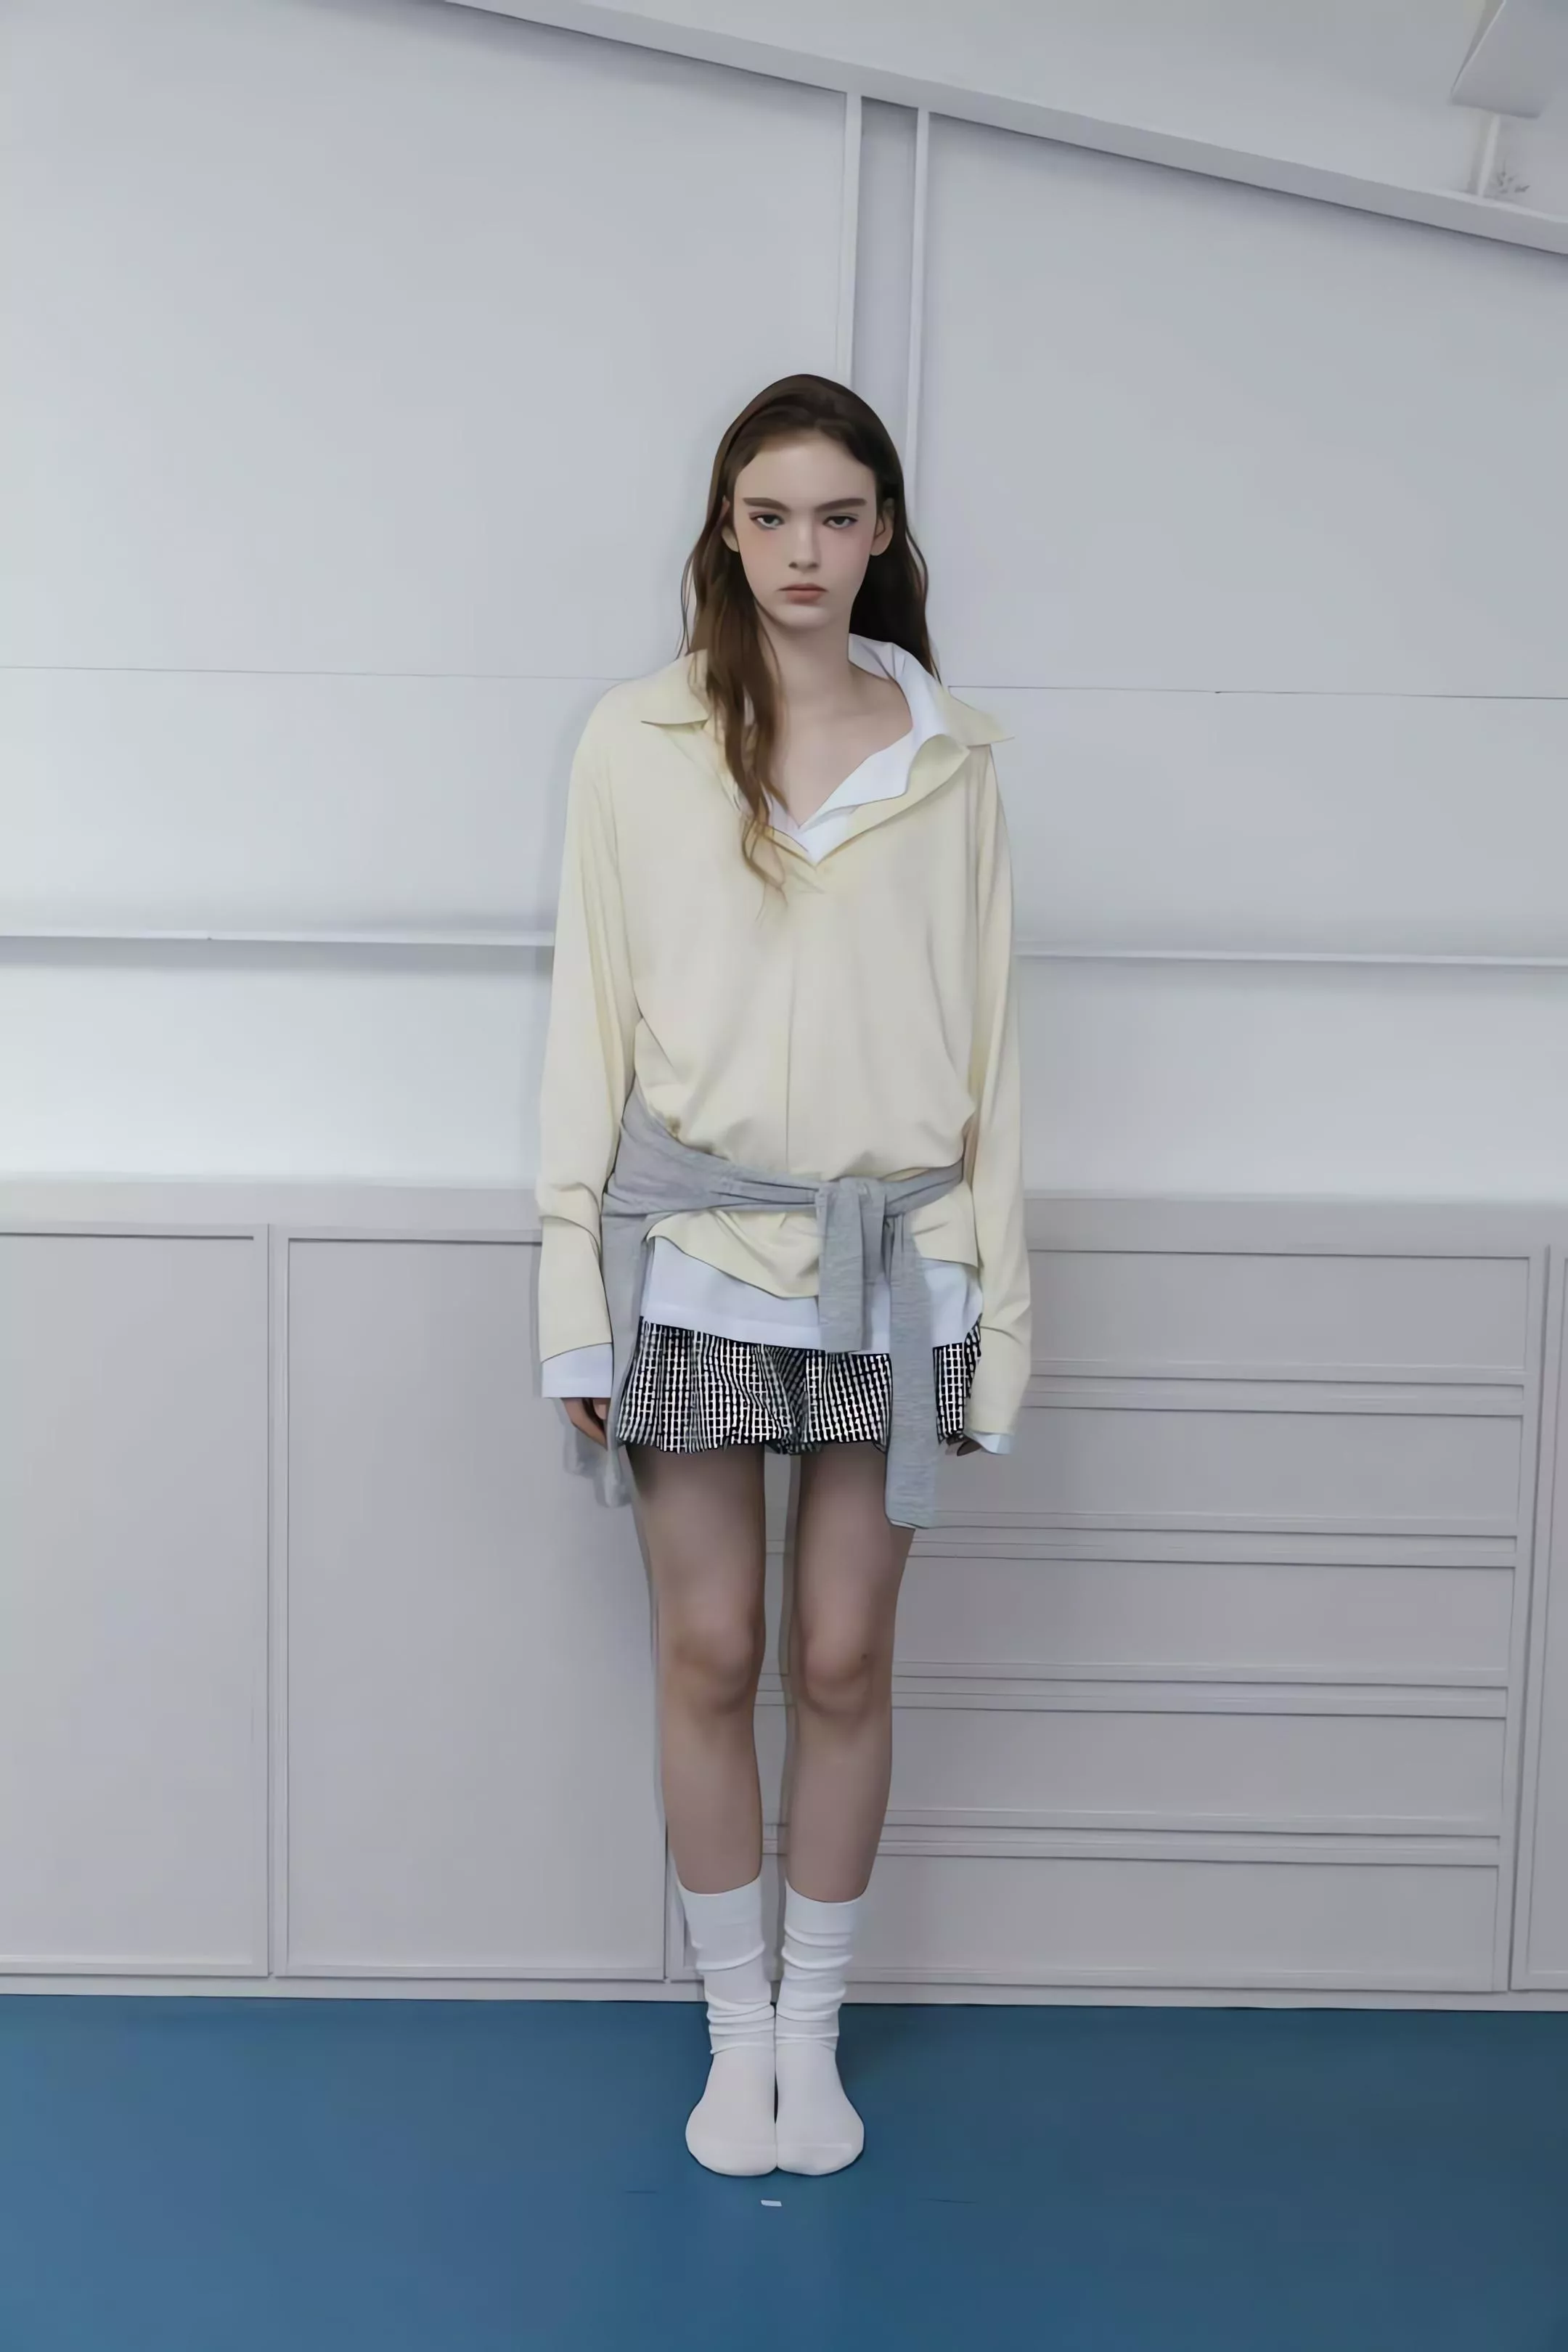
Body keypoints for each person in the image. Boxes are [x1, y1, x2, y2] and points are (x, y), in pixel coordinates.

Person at [533, 372, 1030, 2177]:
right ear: (725, 533)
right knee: (710, 1643)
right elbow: (587, 1025)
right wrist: (570, 1309)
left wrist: (998, 1316)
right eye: (769, 516)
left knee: (841, 1654)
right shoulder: (639, 740)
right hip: (692, 1258)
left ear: (883, 532)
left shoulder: (955, 756)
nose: (803, 551)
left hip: (902, 1269)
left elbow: (996, 1055)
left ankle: (811, 2042)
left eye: (837, 515)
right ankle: (732, 2037)